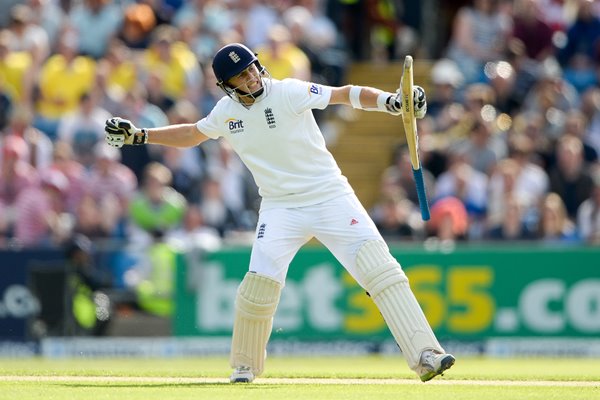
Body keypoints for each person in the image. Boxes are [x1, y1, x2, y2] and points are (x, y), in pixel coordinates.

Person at [104, 42, 454, 383]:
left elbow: (344, 93)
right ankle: (244, 366)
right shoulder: (226, 113)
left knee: (381, 270)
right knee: (257, 287)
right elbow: (193, 133)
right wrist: (141, 135)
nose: (252, 77)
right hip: (279, 206)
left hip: (330, 195)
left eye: (253, 68)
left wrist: (390, 102)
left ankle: (425, 354)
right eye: (242, 76)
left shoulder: (288, 91)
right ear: (227, 86)